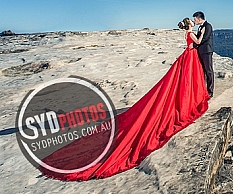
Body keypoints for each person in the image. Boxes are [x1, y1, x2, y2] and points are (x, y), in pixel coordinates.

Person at [41, 18, 210, 180]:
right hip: (190, 55)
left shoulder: (186, 33)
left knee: (180, 81)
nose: (193, 23)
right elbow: (197, 42)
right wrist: (201, 33)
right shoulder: (191, 32)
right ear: (189, 25)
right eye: (192, 23)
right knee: (187, 80)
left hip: (187, 55)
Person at [191, 11, 214, 98]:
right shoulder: (201, 27)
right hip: (201, 51)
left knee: (209, 70)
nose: (194, 21)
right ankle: (203, 89)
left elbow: (205, 38)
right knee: (202, 71)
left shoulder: (208, 26)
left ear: (199, 19)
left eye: (195, 19)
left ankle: (210, 91)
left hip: (207, 51)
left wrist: (194, 44)